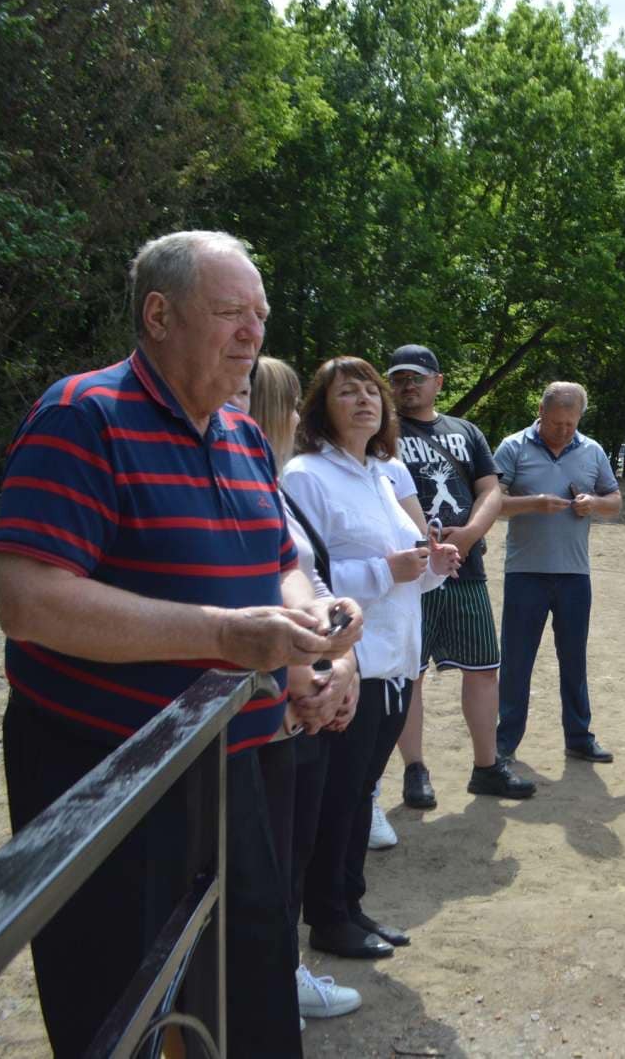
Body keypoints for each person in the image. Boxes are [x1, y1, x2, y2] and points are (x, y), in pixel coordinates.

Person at [0, 230, 359, 1057]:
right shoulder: (82, 414)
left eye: (260, 316)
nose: (253, 334)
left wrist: (316, 646)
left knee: (249, 999)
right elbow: (27, 600)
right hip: (111, 775)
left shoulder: (238, 437)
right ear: (158, 315)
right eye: (231, 312)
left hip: (239, 766)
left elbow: (280, 567)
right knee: (121, 1010)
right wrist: (225, 635)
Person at [283, 357, 462, 961]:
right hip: (350, 666)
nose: (364, 400)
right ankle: (328, 919)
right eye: (347, 391)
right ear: (320, 407)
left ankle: (351, 906)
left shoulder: (383, 473)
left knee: (361, 791)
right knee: (337, 797)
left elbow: (408, 572)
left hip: (397, 660)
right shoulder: (305, 476)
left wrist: (432, 567)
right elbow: (307, 578)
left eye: (371, 391)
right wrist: (386, 570)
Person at [249, 356, 364, 1022]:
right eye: (288, 405)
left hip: (308, 696)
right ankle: (268, 985)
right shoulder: (267, 488)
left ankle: (280, 975)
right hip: (270, 712)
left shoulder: (272, 492)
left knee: (293, 853)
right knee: (269, 864)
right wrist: (311, 674)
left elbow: (313, 588)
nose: (296, 419)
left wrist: (342, 665)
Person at [386, 344, 531, 807]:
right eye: (399, 378)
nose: (408, 385)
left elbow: (491, 490)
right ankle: (415, 770)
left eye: (417, 377)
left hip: (465, 569)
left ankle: (487, 767)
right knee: (411, 674)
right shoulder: (379, 432)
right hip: (408, 574)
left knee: (484, 668)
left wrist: (469, 534)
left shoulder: (465, 431)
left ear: (438, 381)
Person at [493, 381, 622, 766]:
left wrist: (593, 503)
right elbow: (492, 503)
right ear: (541, 410)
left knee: (574, 659)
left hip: (574, 574)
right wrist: (531, 503)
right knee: (517, 662)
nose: (563, 430)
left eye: (570, 423)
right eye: (555, 423)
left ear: (580, 417)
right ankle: (504, 742)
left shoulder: (592, 450)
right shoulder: (513, 446)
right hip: (524, 572)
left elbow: (614, 502)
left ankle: (579, 737)